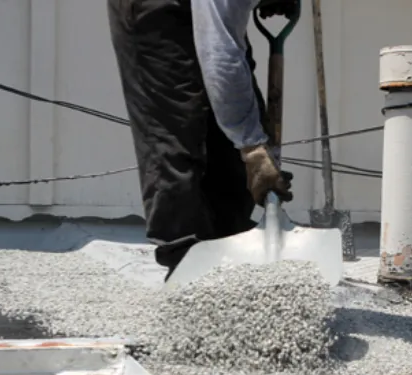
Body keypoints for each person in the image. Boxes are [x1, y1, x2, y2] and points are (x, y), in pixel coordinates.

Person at [107, 0, 297, 281]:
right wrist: (253, 147)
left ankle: (230, 259)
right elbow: (221, 55)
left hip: (202, 8)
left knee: (232, 146)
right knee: (175, 138)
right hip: (154, 14)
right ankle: (187, 272)